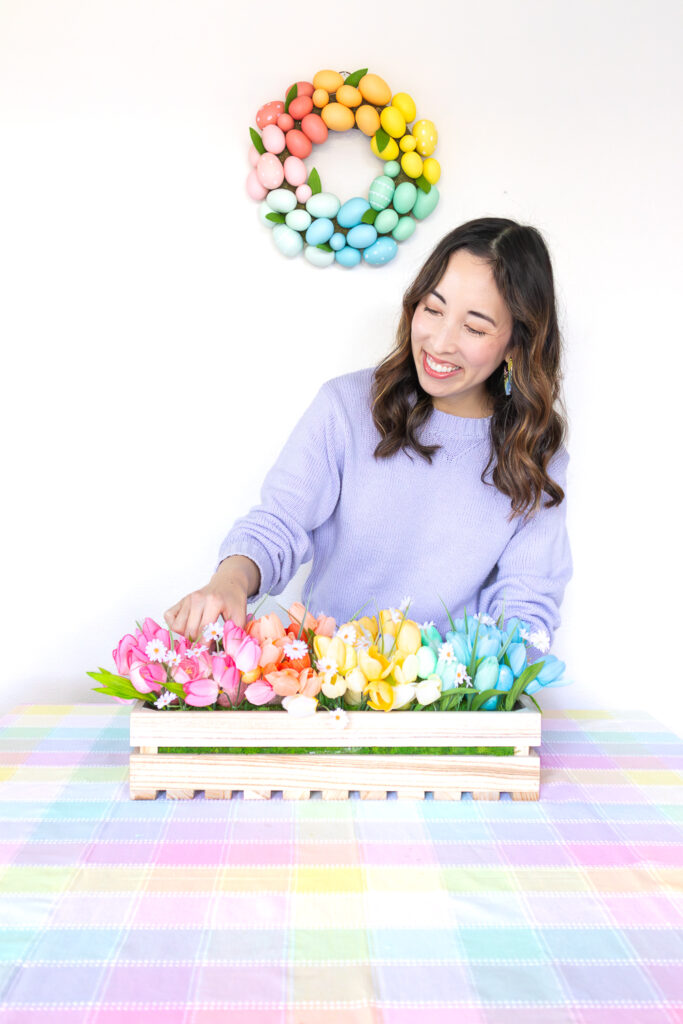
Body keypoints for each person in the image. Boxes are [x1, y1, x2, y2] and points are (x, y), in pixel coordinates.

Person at [164, 217, 573, 664]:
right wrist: (231, 582)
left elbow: (525, 604)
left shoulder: (535, 456)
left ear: (517, 343)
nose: (439, 342)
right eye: (433, 309)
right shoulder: (346, 407)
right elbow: (279, 523)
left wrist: (496, 685)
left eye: (474, 328)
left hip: (449, 706)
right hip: (324, 695)